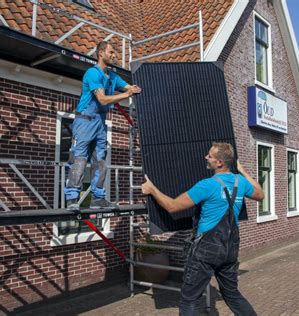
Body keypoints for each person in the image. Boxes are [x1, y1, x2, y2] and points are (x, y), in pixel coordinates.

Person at [142, 142, 264, 315]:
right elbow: (260, 194)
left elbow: (173, 206)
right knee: (232, 295)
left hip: (205, 251)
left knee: (189, 299)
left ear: (219, 163)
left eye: (210, 156)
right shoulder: (241, 183)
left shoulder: (207, 185)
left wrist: (152, 189)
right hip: (229, 250)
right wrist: (242, 170)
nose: (206, 157)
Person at [65, 41, 141, 211]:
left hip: (100, 121)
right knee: (79, 159)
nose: (114, 55)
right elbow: (102, 99)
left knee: (100, 161)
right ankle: (72, 198)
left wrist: (137, 88)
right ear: (100, 53)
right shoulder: (93, 73)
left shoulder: (112, 77)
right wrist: (127, 94)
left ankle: (97, 198)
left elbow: (129, 87)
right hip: (85, 120)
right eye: (111, 52)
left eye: (114, 53)